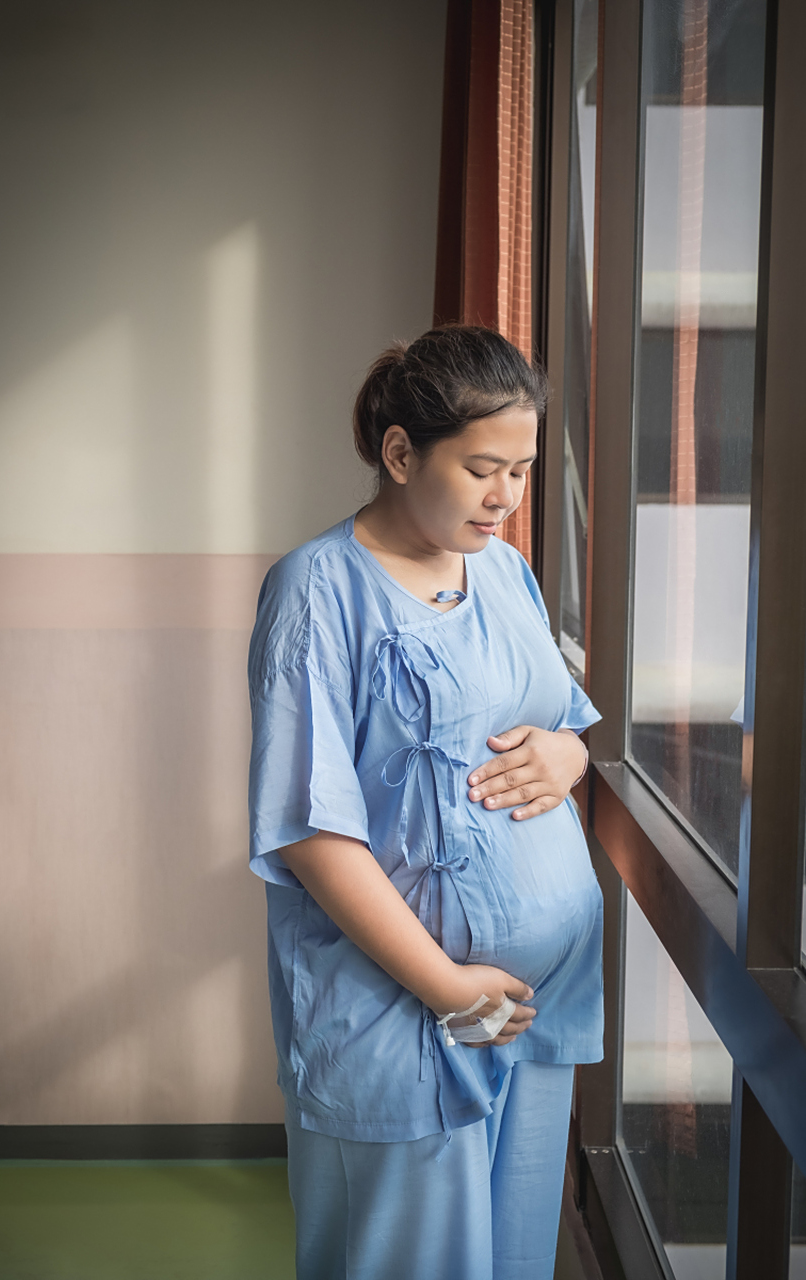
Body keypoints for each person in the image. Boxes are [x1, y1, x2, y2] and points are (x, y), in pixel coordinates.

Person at [247, 325, 603, 1280]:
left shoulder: (504, 570)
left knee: (514, 1258)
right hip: (402, 1012)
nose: (508, 499)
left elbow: (561, 721)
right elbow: (313, 835)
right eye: (484, 469)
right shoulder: (317, 593)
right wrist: (448, 989)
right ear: (400, 453)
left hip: (530, 1013)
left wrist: (568, 756)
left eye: (523, 471)